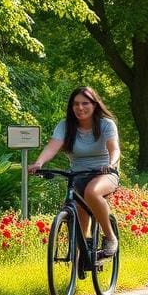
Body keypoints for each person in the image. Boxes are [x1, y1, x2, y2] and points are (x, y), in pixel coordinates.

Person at [28, 86, 121, 257]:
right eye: (76, 104)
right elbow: (52, 146)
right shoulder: (65, 126)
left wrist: (112, 163)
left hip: (104, 172)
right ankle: (80, 258)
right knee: (79, 215)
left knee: (91, 193)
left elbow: (114, 149)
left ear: (94, 105)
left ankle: (110, 237)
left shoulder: (106, 124)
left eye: (85, 103)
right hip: (77, 175)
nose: (80, 108)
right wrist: (39, 163)